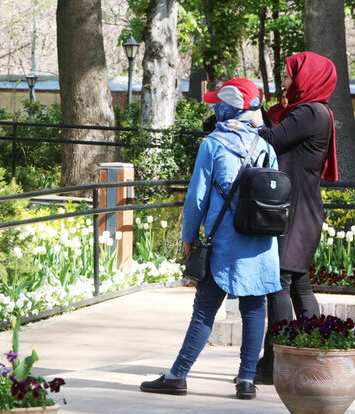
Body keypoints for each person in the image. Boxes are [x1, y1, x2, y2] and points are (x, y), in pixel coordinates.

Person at [139, 78, 281, 400]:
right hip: (260, 245)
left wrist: (188, 237)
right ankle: (246, 380)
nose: (214, 107)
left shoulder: (213, 144)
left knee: (204, 310)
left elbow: (196, 199)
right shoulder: (267, 148)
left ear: (228, 107)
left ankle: (178, 374)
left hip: (224, 243)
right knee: (255, 309)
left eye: (218, 102)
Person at [254, 51, 338, 384]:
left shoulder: (310, 113)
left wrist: (249, 113)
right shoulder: (317, 112)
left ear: (308, 78)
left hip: (294, 210)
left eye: (289, 76)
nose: (285, 81)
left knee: (279, 283)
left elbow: (272, 139)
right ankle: (310, 353)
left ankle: (275, 363)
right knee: (298, 285)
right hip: (302, 210)